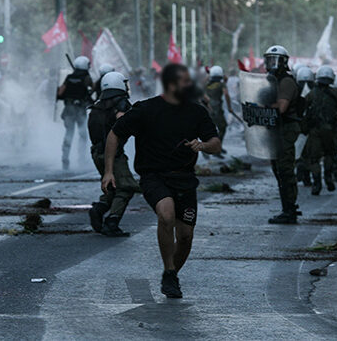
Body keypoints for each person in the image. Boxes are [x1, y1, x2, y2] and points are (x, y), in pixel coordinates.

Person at [103, 63, 221, 298]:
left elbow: (215, 143)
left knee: (186, 236)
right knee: (166, 214)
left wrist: (203, 145)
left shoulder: (196, 111)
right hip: (154, 176)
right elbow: (115, 133)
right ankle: (169, 270)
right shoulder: (146, 109)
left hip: (185, 179)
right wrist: (109, 171)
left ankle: (171, 275)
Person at [87, 72, 140, 237]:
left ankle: (99, 209)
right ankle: (112, 221)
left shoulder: (97, 105)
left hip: (96, 153)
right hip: (113, 155)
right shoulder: (121, 105)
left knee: (112, 186)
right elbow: (124, 123)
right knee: (126, 188)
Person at [264, 46, 303, 225]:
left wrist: (262, 108)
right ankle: (287, 207)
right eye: (269, 59)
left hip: (286, 128)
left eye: (276, 60)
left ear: (284, 62)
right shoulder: (272, 81)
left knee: (285, 169)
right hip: (276, 130)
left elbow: (281, 108)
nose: (272, 63)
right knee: (278, 169)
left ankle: (289, 210)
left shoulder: (286, 81)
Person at [303, 66, 337, 195]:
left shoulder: (311, 94)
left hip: (315, 131)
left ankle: (317, 182)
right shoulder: (336, 93)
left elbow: (303, 109)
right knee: (330, 154)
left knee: (314, 158)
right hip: (330, 130)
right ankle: (328, 177)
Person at [57, 56, 93, 170]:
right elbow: (92, 89)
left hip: (69, 110)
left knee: (69, 134)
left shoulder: (69, 78)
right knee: (82, 135)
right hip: (80, 110)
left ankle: (65, 158)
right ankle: (81, 159)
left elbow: (60, 93)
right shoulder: (86, 77)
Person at [205, 65, 234, 153]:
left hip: (207, 109)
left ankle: (212, 147)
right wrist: (229, 107)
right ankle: (216, 148)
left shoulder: (206, 84)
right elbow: (226, 94)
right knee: (222, 127)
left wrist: (209, 74)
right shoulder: (221, 84)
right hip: (217, 109)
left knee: (210, 129)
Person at [294, 66, 315, 187]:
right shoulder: (314, 92)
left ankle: (302, 172)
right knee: (308, 154)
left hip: (300, 126)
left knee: (300, 152)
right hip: (307, 126)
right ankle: (306, 175)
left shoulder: (294, 91)